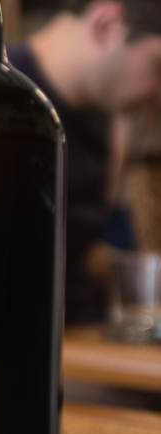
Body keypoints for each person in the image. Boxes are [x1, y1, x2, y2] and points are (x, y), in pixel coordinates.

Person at [10, 0, 161, 324]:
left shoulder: (105, 118)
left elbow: (78, 250)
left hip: (82, 340)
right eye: (158, 67)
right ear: (104, 25)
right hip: (14, 351)